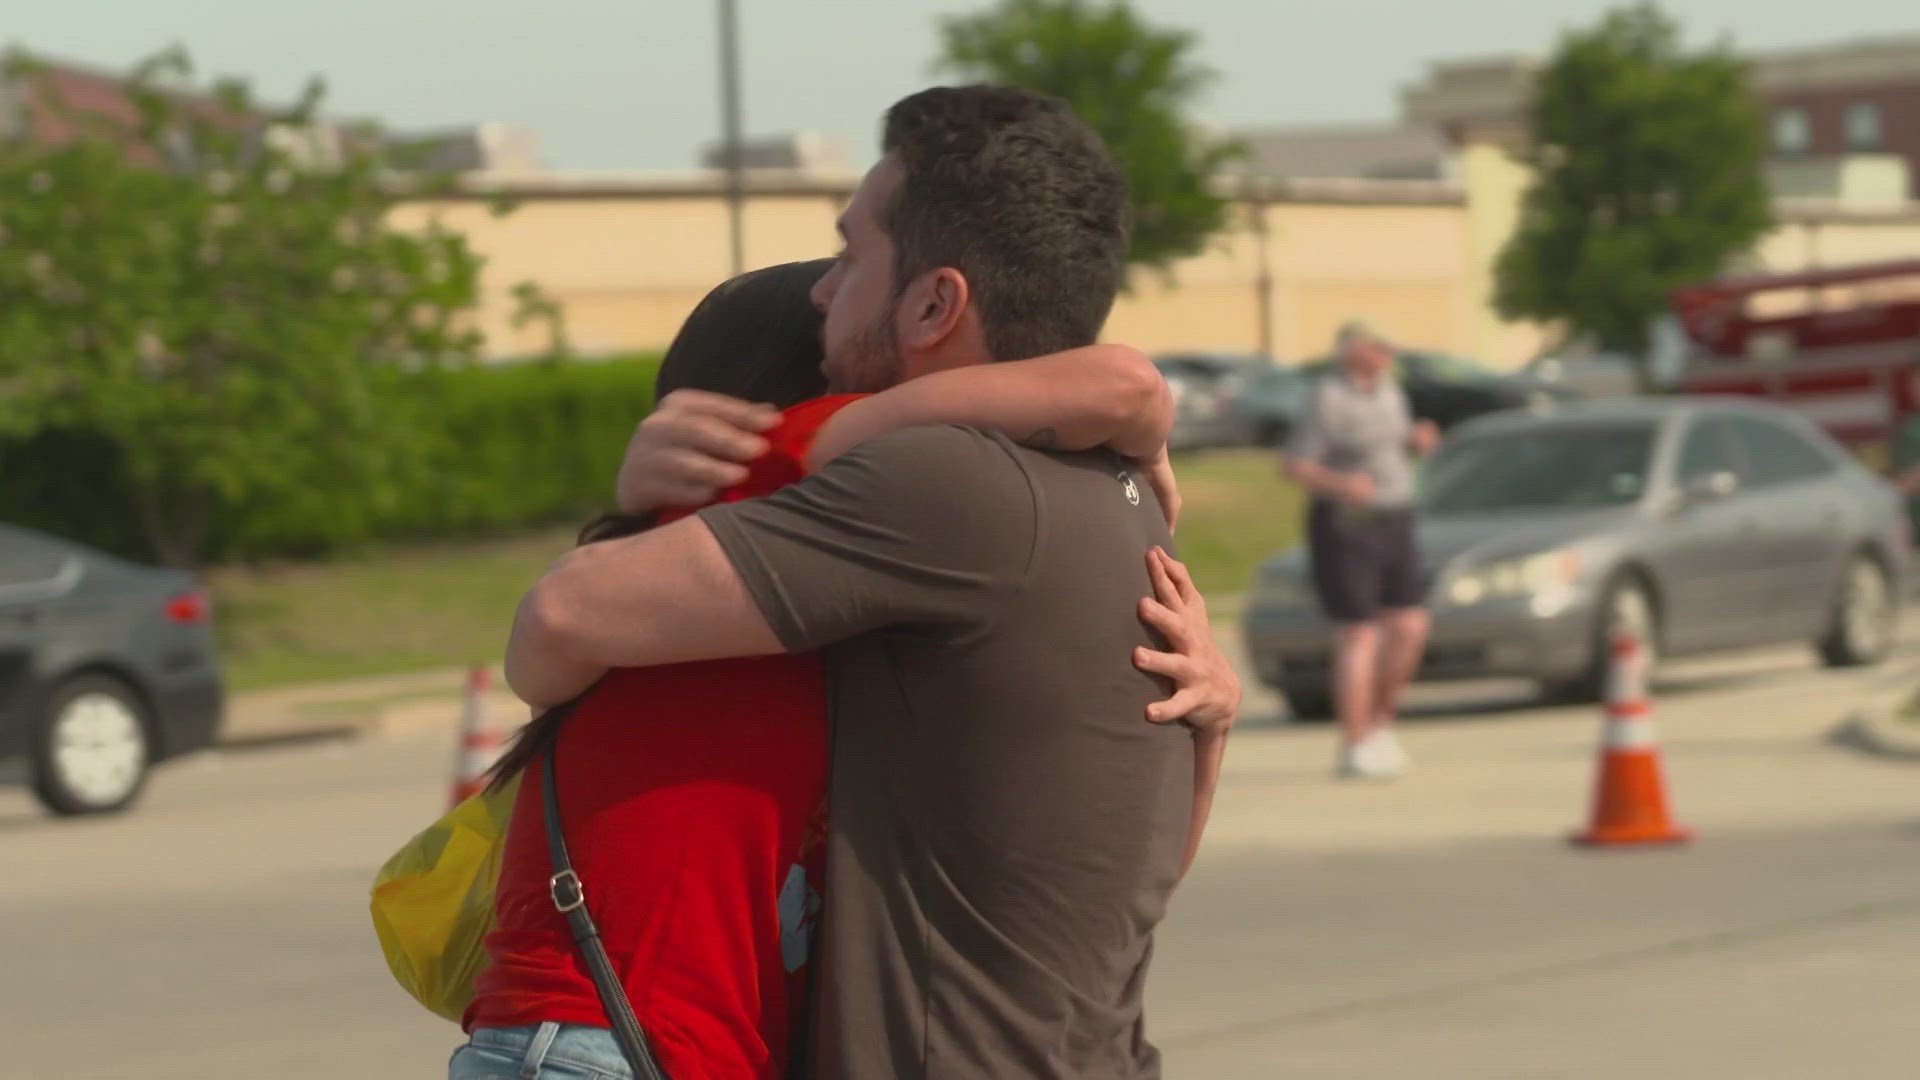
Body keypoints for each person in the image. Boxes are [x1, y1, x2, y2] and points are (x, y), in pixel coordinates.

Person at [504, 85, 1240, 1079]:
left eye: (851, 256)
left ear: (934, 303)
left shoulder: (929, 480)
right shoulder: (1114, 498)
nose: (824, 292)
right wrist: (1218, 723)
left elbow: (559, 617)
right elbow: (1134, 885)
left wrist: (1133, 385)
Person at [1282, 320, 1439, 779]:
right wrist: (1340, 483)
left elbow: (1391, 446)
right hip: (1347, 524)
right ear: (1352, 350)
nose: (1386, 355)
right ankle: (1354, 741)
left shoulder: (1390, 391)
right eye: (1377, 347)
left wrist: (1416, 441)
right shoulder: (1326, 397)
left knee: (1410, 624)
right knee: (1359, 632)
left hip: (1397, 515)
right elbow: (1295, 465)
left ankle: (1380, 722)